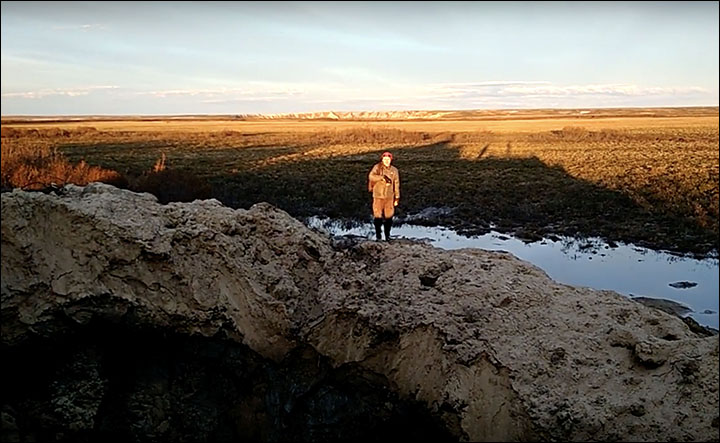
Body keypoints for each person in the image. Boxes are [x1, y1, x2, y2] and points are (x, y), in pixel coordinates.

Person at [367, 151, 400, 241]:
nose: (386, 161)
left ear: (391, 160)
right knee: (377, 217)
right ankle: (378, 236)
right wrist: (382, 178)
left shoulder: (394, 170)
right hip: (378, 196)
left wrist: (397, 197)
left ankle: (387, 236)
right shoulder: (377, 168)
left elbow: (396, 184)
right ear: (382, 159)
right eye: (385, 159)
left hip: (389, 197)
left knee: (389, 217)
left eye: (388, 159)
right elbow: (371, 176)